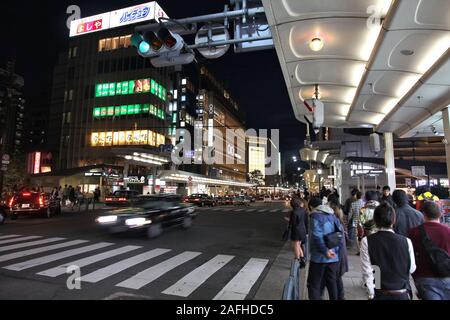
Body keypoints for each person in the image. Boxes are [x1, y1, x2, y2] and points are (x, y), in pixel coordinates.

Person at [360, 203, 416, 300]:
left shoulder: (367, 241)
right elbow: (411, 268)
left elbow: (368, 271)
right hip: (401, 293)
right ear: (393, 220)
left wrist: (371, 292)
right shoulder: (406, 241)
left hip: (380, 292)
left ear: (375, 220)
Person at [408, 201, 450, 300]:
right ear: (440, 214)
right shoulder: (448, 231)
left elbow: (411, 257)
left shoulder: (413, 232)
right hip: (447, 276)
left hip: (424, 278)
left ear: (423, 214)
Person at [307, 197, 342, 300]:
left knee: (314, 284)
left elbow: (317, 236)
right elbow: (338, 233)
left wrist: (325, 251)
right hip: (333, 256)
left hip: (319, 257)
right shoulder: (332, 215)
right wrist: (334, 250)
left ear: (311, 207)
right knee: (331, 282)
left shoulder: (315, 216)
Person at [327, 195, 348, 300]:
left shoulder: (333, 219)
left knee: (334, 278)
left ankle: (339, 297)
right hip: (340, 253)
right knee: (337, 278)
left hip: (336, 254)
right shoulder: (338, 218)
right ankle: (341, 297)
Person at [288, 196, 309, 268]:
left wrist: (289, 220)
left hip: (296, 231)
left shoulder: (294, 212)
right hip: (302, 230)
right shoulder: (303, 210)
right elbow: (305, 221)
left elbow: (293, 223)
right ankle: (302, 259)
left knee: (296, 246)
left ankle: (298, 260)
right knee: (298, 245)